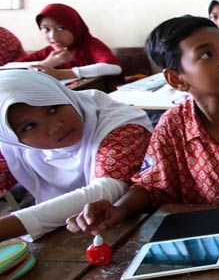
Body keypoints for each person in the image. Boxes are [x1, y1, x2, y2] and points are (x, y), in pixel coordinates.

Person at [67, 16, 219, 243]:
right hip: (200, 240)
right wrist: (119, 208)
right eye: (207, 55)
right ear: (175, 79)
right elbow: (151, 186)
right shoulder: (172, 126)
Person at [0, 70, 151, 241]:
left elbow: (106, 190)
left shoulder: (119, 126)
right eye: (29, 126)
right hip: (68, 237)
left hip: (135, 226)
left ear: (63, 95)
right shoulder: (12, 146)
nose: (55, 127)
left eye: (53, 108)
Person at [14, 3, 122, 80]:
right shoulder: (49, 53)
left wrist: (60, 74)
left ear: (75, 27)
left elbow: (113, 67)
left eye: (61, 28)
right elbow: (7, 68)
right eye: (46, 29)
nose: (53, 36)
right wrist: (46, 63)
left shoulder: (90, 44)